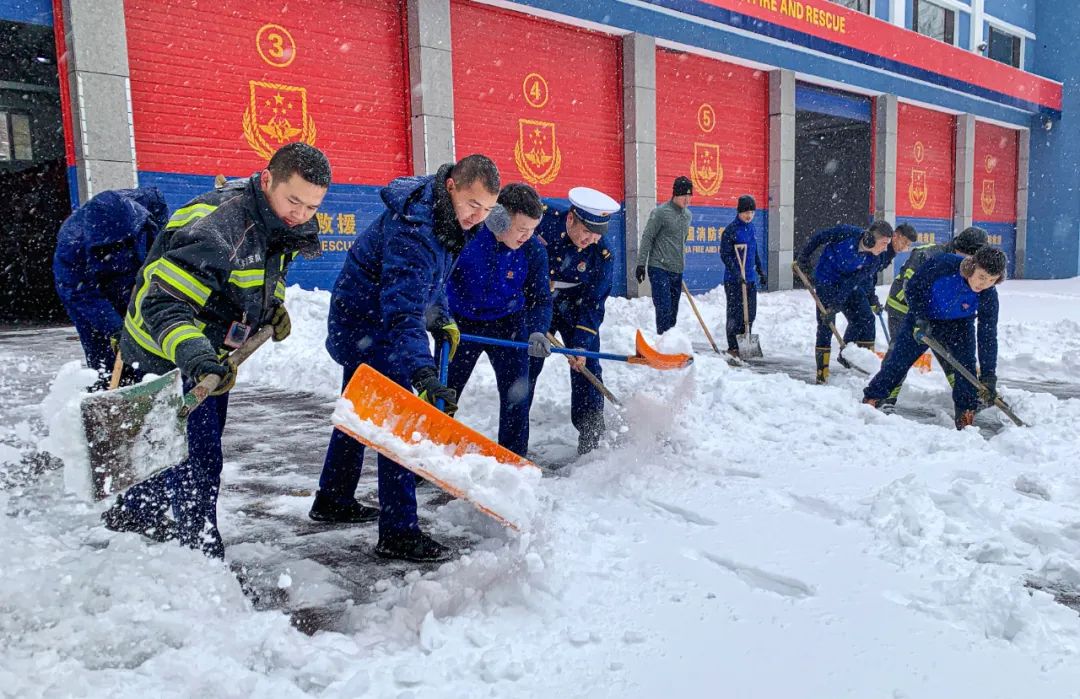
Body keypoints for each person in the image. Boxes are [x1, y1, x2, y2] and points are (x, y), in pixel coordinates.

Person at [101, 142, 330, 559]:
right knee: (195, 460)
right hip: (163, 351)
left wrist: (270, 307)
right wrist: (197, 357)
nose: (301, 214)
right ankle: (200, 555)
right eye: (294, 200)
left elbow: (259, 273)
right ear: (266, 181)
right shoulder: (219, 226)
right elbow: (164, 303)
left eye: (312, 207)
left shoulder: (277, 223)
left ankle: (135, 519)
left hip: (207, 353)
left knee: (162, 446)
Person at [311, 154, 501, 563]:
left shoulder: (445, 217)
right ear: (452, 186)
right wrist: (424, 373)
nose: (477, 217)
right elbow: (402, 309)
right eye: (472, 205)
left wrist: (443, 317)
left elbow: (430, 282)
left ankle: (333, 497)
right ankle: (399, 531)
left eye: (486, 210)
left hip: (373, 320)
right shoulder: (415, 228)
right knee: (401, 424)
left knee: (361, 409)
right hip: (370, 325)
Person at [445, 183, 551, 458]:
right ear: (498, 217)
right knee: (443, 390)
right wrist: (441, 319)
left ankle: (512, 461)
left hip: (508, 324)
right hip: (461, 324)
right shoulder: (466, 238)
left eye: (532, 230)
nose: (527, 236)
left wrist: (538, 330)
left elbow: (540, 298)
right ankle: (426, 453)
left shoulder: (533, 250)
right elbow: (439, 282)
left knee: (517, 394)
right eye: (521, 229)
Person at [863, 246, 1006, 429]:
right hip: (924, 319)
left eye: (992, 280)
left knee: (966, 370)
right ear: (972, 266)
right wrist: (920, 318)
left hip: (959, 326)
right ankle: (871, 400)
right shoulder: (944, 264)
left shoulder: (988, 294)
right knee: (897, 362)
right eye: (982, 277)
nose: (983, 284)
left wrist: (988, 375)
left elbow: (988, 335)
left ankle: (965, 417)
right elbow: (914, 287)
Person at [527, 187, 620, 455]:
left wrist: (579, 344)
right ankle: (515, 434)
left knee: (587, 364)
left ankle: (590, 434)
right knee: (527, 362)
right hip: (536, 300)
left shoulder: (603, 253)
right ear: (570, 219)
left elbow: (594, 303)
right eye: (586, 232)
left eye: (596, 234)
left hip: (576, 307)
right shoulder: (543, 219)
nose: (590, 239)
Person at [52, 187, 169, 390]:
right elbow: (80, 294)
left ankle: (147, 384)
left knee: (144, 341)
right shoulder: (71, 246)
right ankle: (109, 390)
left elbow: (161, 217)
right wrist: (115, 328)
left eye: (126, 241)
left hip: (132, 278)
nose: (121, 246)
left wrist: (157, 249)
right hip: (93, 294)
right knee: (103, 351)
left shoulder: (145, 204)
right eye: (114, 245)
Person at [874, 226, 989, 411]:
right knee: (899, 355)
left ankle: (969, 397)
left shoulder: (968, 266)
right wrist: (921, 319)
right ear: (958, 247)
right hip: (903, 309)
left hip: (938, 315)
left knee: (950, 354)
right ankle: (885, 398)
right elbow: (910, 286)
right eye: (967, 255)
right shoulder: (929, 255)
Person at [796, 220, 895, 384]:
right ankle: (822, 374)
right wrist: (804, 257)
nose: (885, 248)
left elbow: (852, 282)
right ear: (870, 238)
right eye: (884, 243)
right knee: (826, 324)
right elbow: (819, 237)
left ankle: (860, 364)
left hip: (847, 283)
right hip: (825, 279)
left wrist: (836, 305)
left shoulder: (874, 260)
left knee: (865, 317)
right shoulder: (847, 233)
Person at [635, 176, 693, 334]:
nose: (687, 200)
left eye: (690, 196)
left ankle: (670, 344)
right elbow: (648, 237)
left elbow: (683, 241)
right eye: (684, 196)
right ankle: (663, 346)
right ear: (675, 194)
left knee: (673, 314)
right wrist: (641, 264)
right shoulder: (660, 212)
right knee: (664, 310)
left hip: (677, 270)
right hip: (659, 268)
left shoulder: (688, 215)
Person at [719, 195, 765, 358]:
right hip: (734, 281)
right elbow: (725, 254)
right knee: (735, 314)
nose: (749, 215)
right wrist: (737, 273)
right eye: (746, 212)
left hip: (750, 279)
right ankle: (733, 346)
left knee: (750, 313)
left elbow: (754, 251)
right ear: (739, 211)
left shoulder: (751, 228)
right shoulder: (731, 230)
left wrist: (760, 270)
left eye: (752, 212)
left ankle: (745, 343)